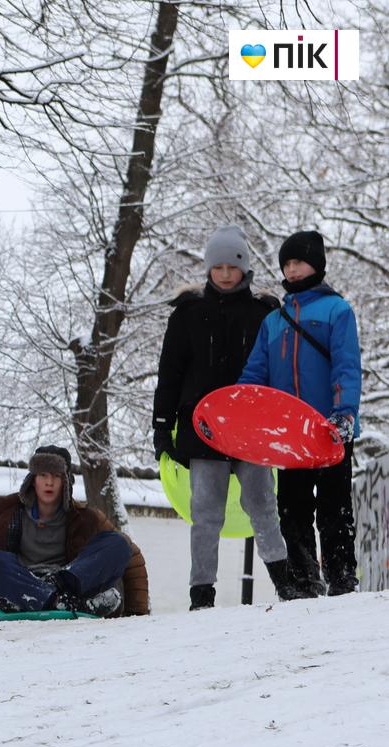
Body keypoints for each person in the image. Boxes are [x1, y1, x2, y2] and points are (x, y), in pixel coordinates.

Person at [153, 225, 292, 610]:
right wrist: (162, 429)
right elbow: (170, 375)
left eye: (233, 265)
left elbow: (278, 376)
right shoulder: (187, 314)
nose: (226, 273)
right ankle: (202, 595)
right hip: (202, 429)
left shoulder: (264, 313)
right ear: (209, 268)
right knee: (206, 513)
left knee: (263, 504)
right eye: (218, 266)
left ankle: (284, 583)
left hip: (251, 430)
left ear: (244, 267)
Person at [237, 230, 363, 597]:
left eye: (299, 261)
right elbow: (254, 376)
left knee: (334, 509)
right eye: (287, 263)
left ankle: (342, 580)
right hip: (288, 436)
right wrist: (240, 412)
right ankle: (305, 582)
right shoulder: (273, 322)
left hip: (329, 428)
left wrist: (343, 414)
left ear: (317, 264)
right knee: (291, 511)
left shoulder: (337, 311)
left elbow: (346, 366)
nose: (292, 270)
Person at [0, 445, 149, 618]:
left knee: (117, 544)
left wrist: (137, 614)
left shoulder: (85, 518)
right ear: (33, 480)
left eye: (56, 476)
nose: (49, 482)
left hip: (70, 585)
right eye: (43, 475)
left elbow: (131, 556)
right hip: (24, 585)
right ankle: (56, 602)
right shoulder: (9, 516)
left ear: (65, 481)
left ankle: (57, 597)